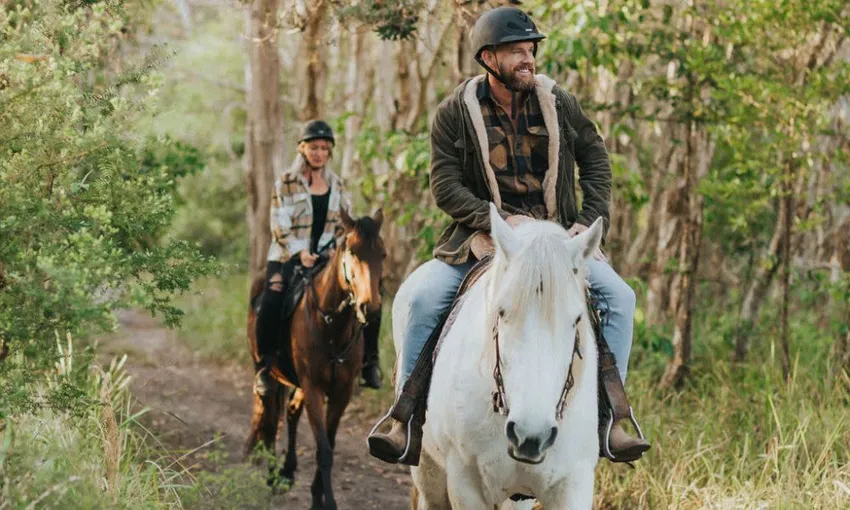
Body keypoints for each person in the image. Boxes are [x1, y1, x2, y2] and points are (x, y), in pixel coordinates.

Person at [368, 6, 650, 464]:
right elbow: (445, 186)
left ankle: (609, 421)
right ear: (488, 57)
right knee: (419, 299)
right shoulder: (454, 112)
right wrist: (491, 218)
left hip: (558, 243)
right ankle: (405, 420)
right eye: (516, 51)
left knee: (621, 299)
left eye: (530, 50)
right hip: (483, 240)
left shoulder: (560, 102)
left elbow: (596, 161)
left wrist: (589, 221)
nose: (527, 59)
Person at [253, 120, 383, 397]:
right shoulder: (286, 183)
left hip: (326, 257)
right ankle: (265, 366)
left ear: (330, 152)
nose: (319, 153)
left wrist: (328, 250)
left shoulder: (338, 185)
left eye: (324, 148)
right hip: (288, 255)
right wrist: (301, 251)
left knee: (369, 295)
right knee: (272, 295)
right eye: (313, 147)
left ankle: (369, 362)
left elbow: (344, 226)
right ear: (302, 149)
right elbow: (278, 224)